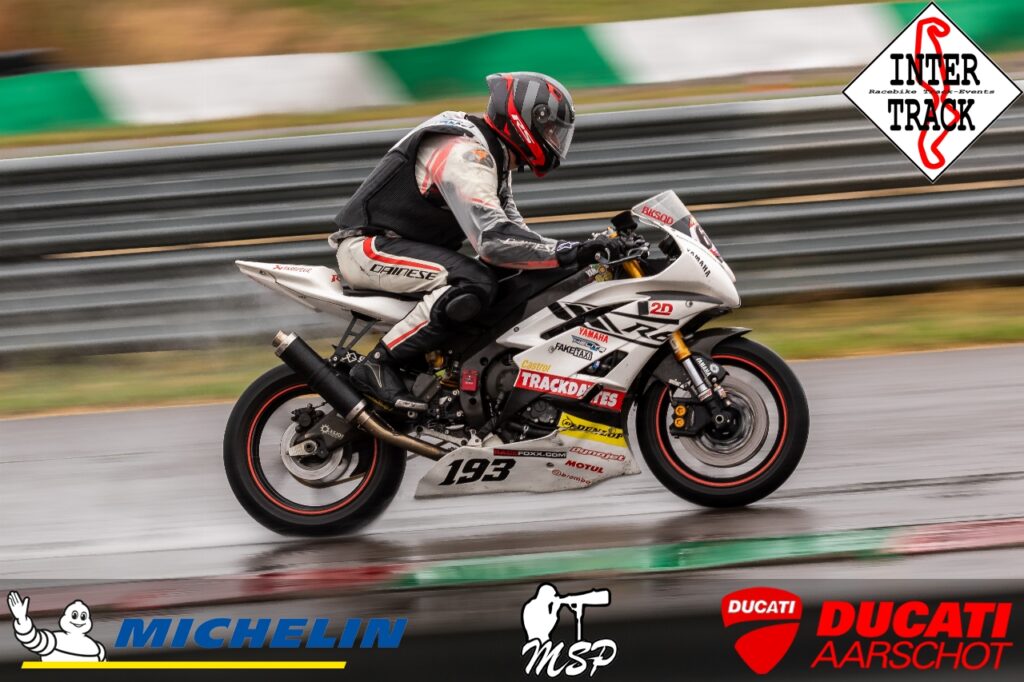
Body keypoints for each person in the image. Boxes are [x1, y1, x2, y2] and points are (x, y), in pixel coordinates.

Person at [329, 71, 624, 411]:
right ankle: (378, 364)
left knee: (515, 277)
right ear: (525, 119)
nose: (555, 140)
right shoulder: (467, 153)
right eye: (551, 130)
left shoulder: (493, 156)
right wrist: (570, 251)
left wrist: (573, 254)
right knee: (475, 282)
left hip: (400, 248)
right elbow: (494, 240)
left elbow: (516, 233)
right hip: (370, 248)